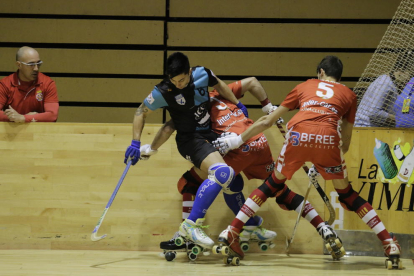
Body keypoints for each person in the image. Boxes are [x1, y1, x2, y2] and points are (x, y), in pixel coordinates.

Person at [214, 56, 402, 266]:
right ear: (338, 76)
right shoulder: (349, 94)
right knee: (348, 195)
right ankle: (388, 242)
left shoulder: (305, 85)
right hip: (329, 139)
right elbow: (346, 141)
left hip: (298, 135)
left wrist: (237, 140)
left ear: (320, 72)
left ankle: (232, 231)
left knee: (272, 184)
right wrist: (322, 162)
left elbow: (268, 120)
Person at [140, 77, 338, 258]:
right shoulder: (224, 92)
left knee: (190, 181)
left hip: (238, 147)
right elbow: (252, 82)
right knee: (279, 190)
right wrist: (267, 105)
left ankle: (188, 230)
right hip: (260, 143)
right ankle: (322, 227)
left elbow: (168, 127)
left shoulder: (193, 106)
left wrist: (150, 148)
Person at [124, 52, 249, 251]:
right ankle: (191, 225)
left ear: (190, 72)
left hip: (212, 134)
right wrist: (135, 142)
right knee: (221, 172)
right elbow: (140, 112)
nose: (179, 84)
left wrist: (238, 104)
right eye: (174, 81)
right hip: (190, 140)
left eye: (182, 79)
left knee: (233, 179)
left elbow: (219, 84)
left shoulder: (202, 74)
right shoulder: (162, 91)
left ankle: (249, 226)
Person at [0, 46, 59, 122]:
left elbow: (52, 115)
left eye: (38, 64)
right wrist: (15, 118)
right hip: (11, 132)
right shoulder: (5, 84)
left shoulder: (48, 83)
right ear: (19, 65)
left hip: (39, 132)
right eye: (31, 65)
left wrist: (23, 118)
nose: (36, 68)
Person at [355, 51, 412, 127]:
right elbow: (373, 113)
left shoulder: (390, 83)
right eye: (410, 74)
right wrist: (399, 119)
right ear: (400, 70)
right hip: (365, 128)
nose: (410, 79)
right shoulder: (385, 83)